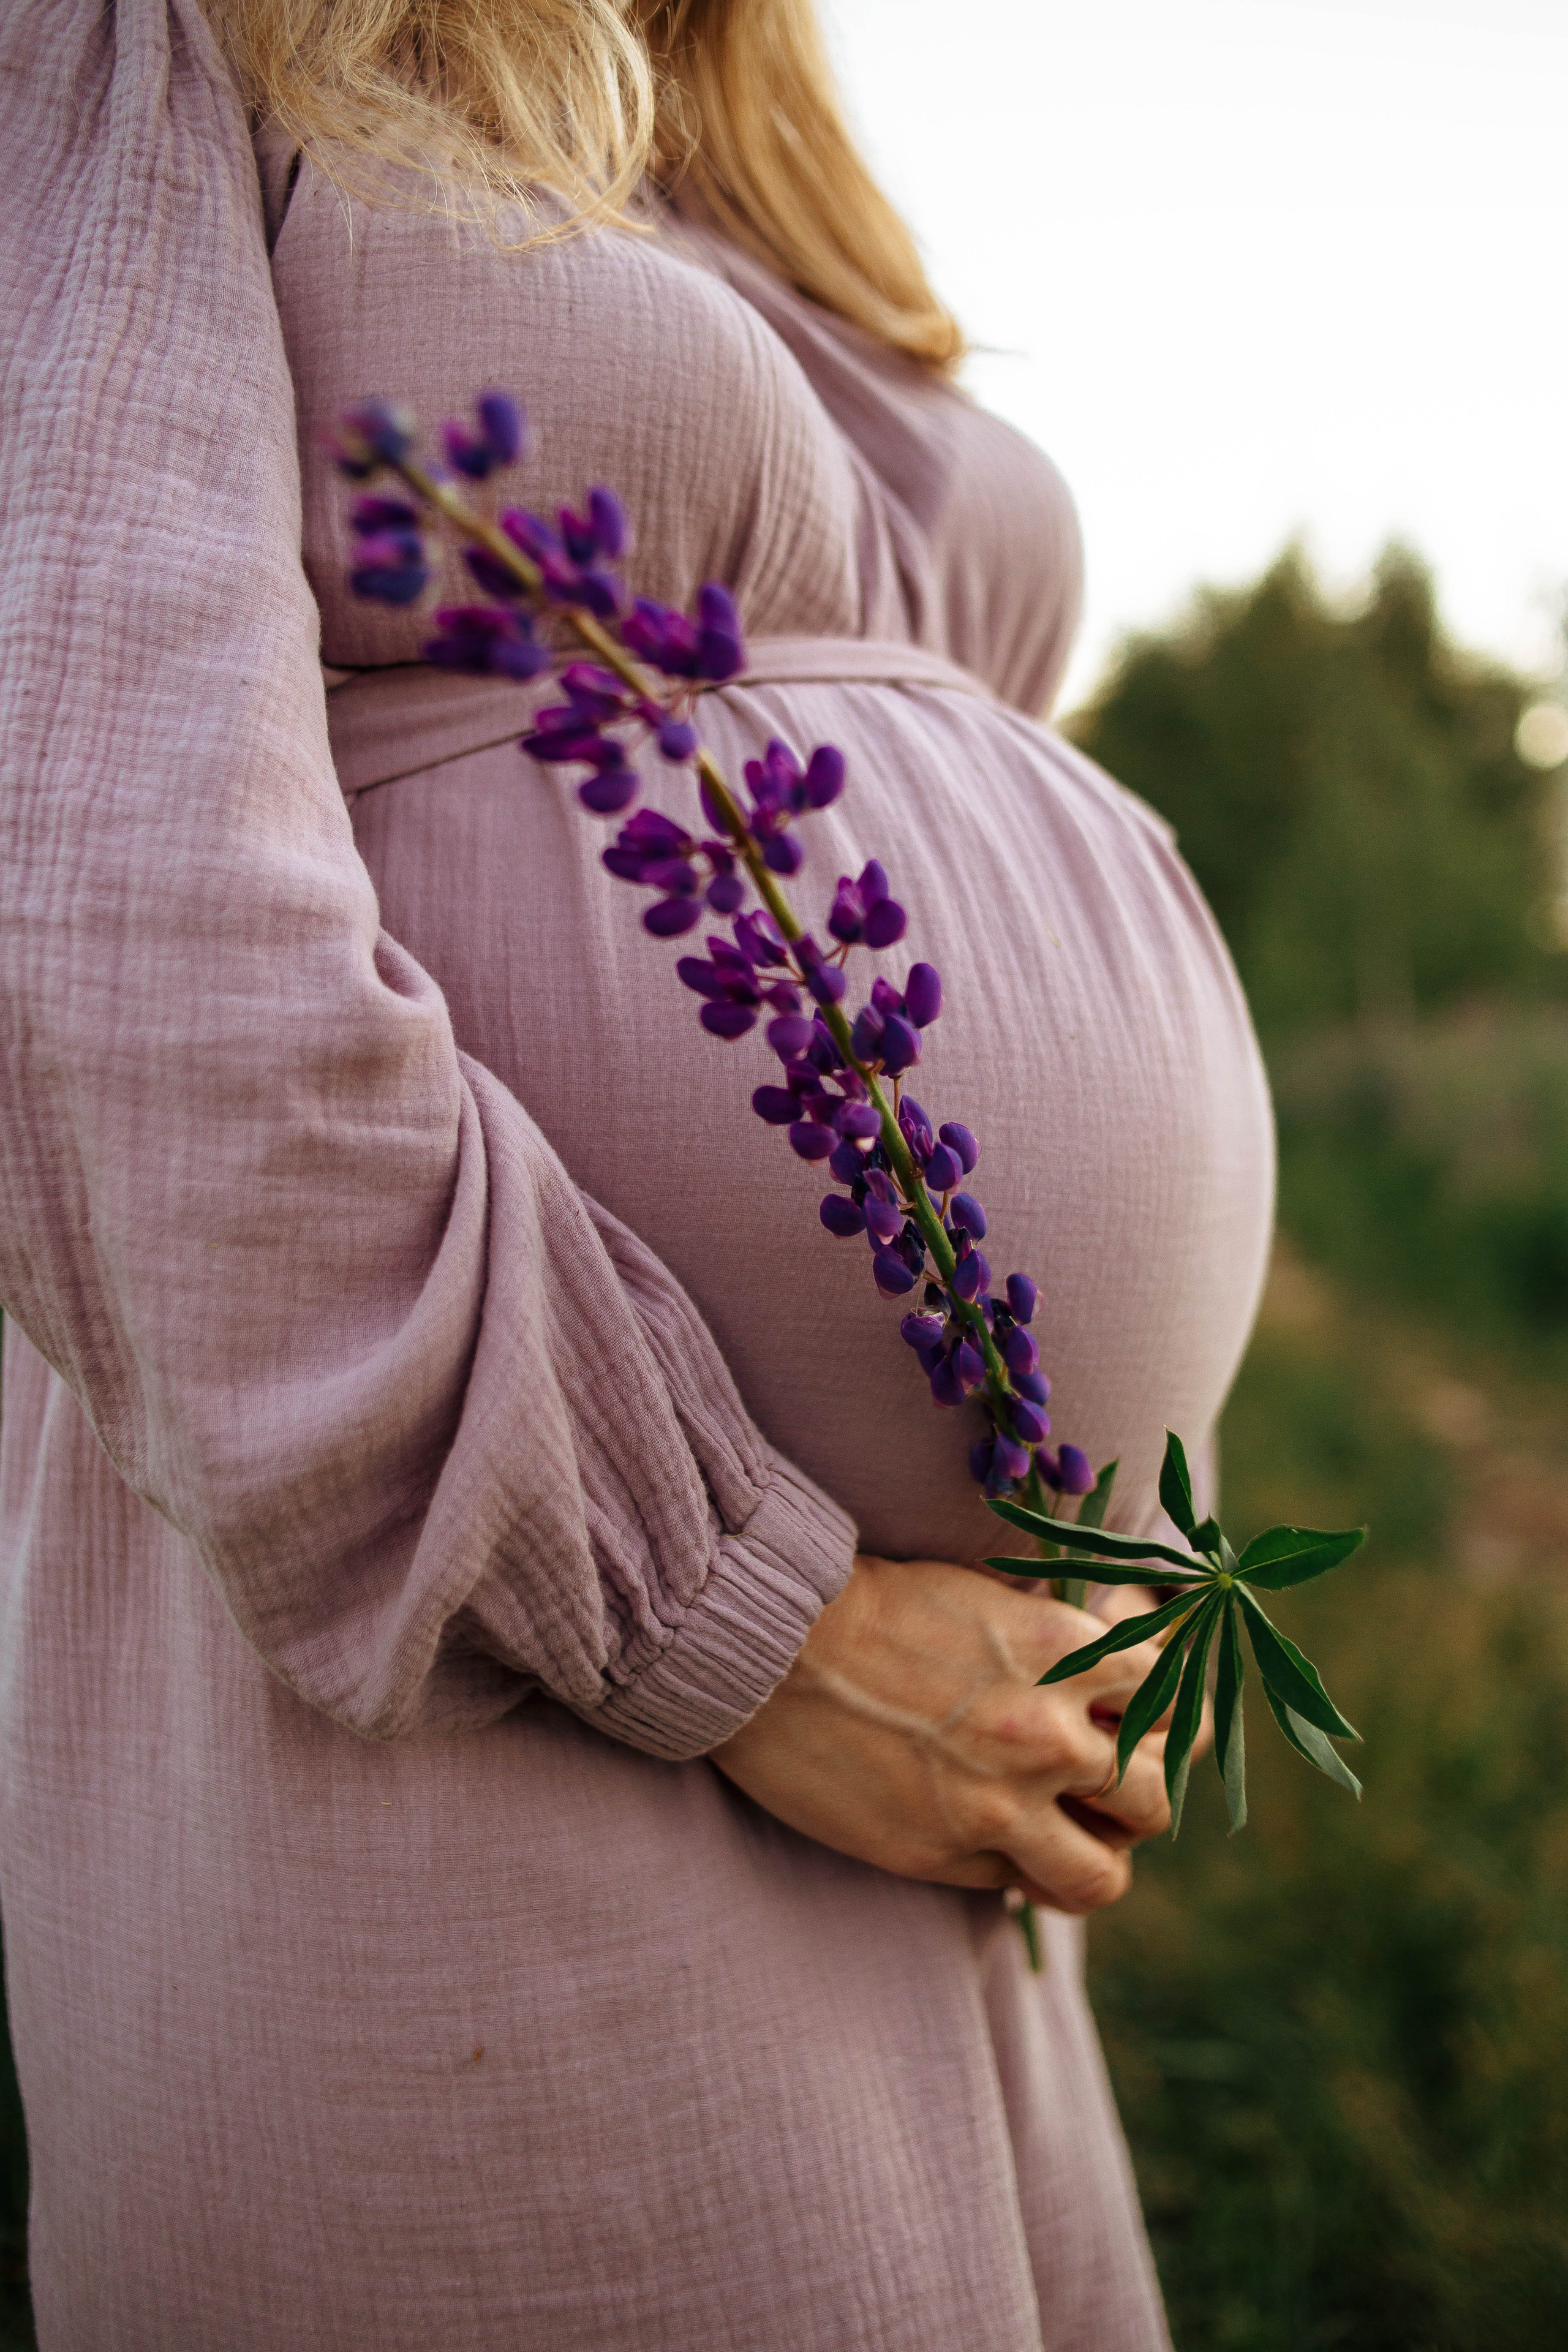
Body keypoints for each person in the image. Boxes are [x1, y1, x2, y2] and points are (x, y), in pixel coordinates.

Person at [0, 2, 1273, 2345]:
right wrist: (742, 1616)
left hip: (936, 1747)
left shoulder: (741, 127)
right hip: (486, 1645)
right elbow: (100, 887)